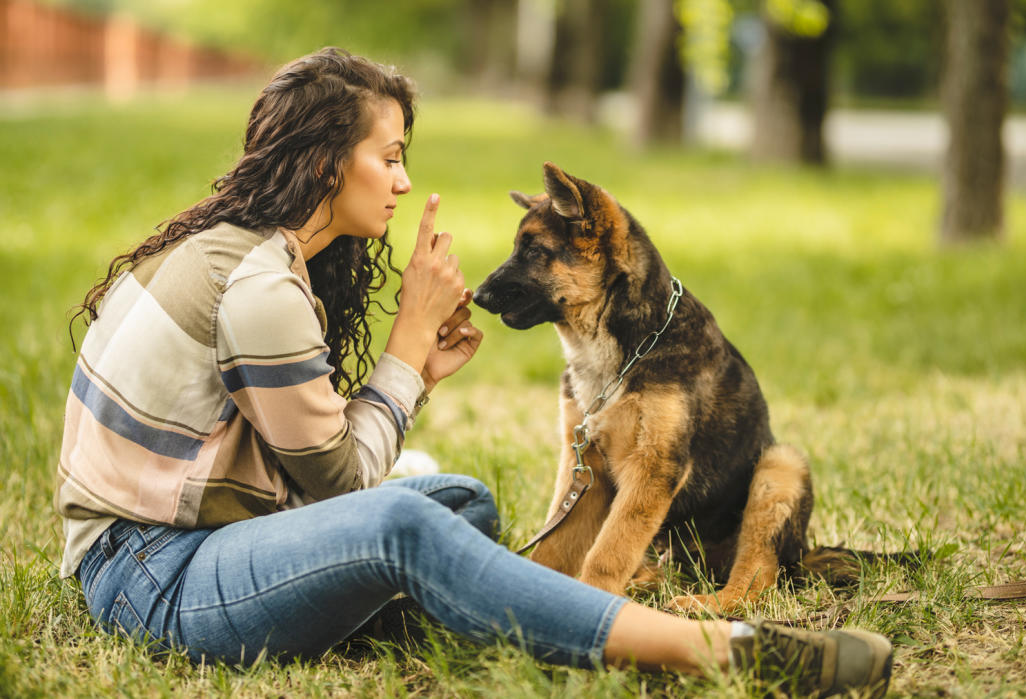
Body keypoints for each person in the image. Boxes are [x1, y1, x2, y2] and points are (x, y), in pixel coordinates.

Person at [55, 47, 892, 696]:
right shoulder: (260, 286)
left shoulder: (251, 254)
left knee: (462, 502)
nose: (405, 178)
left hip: (202, 538)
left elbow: (301, 460)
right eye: (388, 156)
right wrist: (408, 349)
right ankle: (709, 650)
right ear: (324, 164)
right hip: (151, 575)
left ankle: (476, 598)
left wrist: (414, 364)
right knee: (406, 527)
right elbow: (342, 486)